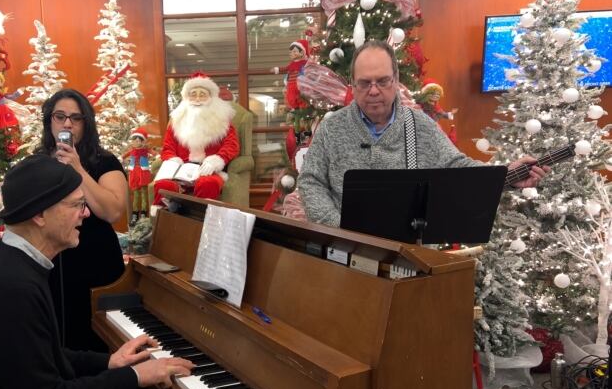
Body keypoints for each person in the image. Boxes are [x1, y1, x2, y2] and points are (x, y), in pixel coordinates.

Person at [0, 154, 193, 389]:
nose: (86, 213)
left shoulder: (13, 263)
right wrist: (134, 375)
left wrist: (109, 362)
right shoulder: (11, 289)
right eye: (77, 204)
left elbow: (43, 354)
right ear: (40, 214)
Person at [298, 40, 547, 227]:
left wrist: (508, 174)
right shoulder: (331, 128)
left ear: (396, 80)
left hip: (407, 254)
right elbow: (311, 181)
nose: (373, 91)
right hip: (346, 254)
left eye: (383, 81)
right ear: (353, 84)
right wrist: (340, 228)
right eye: (364, 83)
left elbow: (457, 168)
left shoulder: (420, 125)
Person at [39, 89, 129, 351]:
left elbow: (113, 211)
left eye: (76, 118)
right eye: (60, 116)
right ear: (50, 121)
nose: (67, 123)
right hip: (52, 265)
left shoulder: (105, 161)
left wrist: (78, 168)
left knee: (98, 342)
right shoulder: (39, 162)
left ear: (85, 124)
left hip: (96, 263)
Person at [152, 72, 239, 208]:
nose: (197, 99)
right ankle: (166, 223)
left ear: (211, 97)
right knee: (163, 185)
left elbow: (231, 145)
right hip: (181, 170)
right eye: (193, 94)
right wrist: (174, 162)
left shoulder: (223, 121)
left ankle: (200, 220)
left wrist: (217, 159)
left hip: (208, 170)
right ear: (187, 97)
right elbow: (168, 147)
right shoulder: (177, 121)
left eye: (202, 94)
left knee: (207, 184)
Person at [122, 127, 156, 225]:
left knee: (144, 194)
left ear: (143, 141)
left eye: (139, 140)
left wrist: (157, 156)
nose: (137, 142)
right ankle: (135, 214)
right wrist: (122, 158)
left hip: (143, 173)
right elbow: (124, 155)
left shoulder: (145, 150)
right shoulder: (132, 151)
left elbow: (153, 153)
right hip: (134, 174)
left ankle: (144, 214)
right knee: (136, 195)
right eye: (135, 140)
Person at [272, 39, 311, 111]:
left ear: (302, 52)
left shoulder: (304, 63)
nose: (291, 53)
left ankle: (302, 110)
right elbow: (286, 68)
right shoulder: (292, 64)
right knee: (291, 97)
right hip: (291, 85)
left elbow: (306, 72)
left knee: (301, 98)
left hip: (299, 85)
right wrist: (278, 69)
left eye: (294, 51)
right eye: (290, 52)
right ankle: (295, 108)